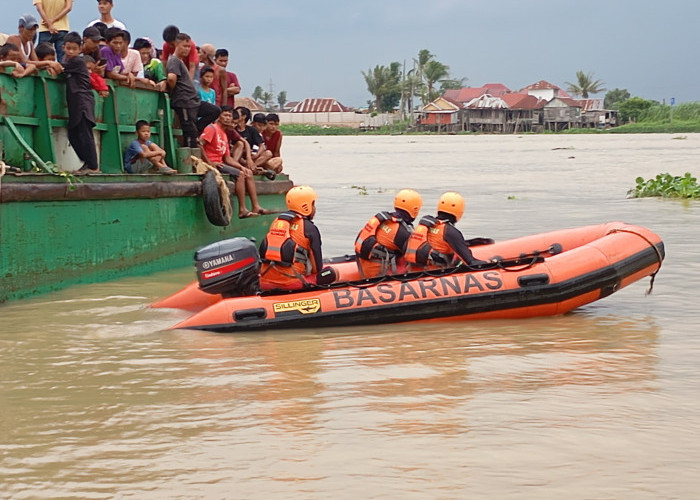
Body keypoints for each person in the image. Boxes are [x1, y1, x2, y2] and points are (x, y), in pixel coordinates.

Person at [259, 186, 336, 291]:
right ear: (306, 206)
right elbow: (316, 268)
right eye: (313, 204)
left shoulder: (277, 222)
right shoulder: (309, 228)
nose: (315, 208)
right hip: (291, 283)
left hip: (264, 282)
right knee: (331, 273)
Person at [199, 106, 269, 218]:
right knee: (240, 175)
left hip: (221, 162)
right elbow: (200, 144)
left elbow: (227, 158)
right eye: (225, 115)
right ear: (219, 116)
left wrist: (241, 167)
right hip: (214, 163)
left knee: (247, 172)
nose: (227, 118)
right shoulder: (212, 128)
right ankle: (242, 209)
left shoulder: (224, 134)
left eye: (229, 116)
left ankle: (256, 206)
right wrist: (209, 163)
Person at [405, 192, 489, 270]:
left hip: (413, 271)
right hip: (435, 274)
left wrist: (472, 242)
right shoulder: (450, 231)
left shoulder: (426, 225)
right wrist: (491, 264)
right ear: (460, 211)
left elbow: (438, 243)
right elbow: (471, 262)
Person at [166, 32, 219, 148]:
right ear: (176, 45)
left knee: (215, 110)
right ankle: (188, 161)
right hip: (184, 101)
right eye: (184, 46)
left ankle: (197, 130)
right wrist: (175, 89)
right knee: (189, 134)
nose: (187, 49)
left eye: (189, 46)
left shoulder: (180, 61)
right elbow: (171, 78)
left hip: (193, 101)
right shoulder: (174, 60)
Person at [355, 189, 423, 278]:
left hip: (365, 268)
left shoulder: (384, 220)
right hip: (379, 276)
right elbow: (418, 256)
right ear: (415, 209)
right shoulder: (401, 231)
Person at [61, 31, 99, 173]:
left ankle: (93, 166)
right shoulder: (70, 61)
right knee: (73, 134)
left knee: (84, 133)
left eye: (74, 49)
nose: (71, 51)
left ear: (80, 49)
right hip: (76, 103)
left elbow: (60, 67)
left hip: (83, 101)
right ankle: (87, 162)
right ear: (63, 47)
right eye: (68, 48)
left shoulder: (76, 61)